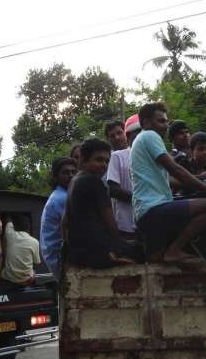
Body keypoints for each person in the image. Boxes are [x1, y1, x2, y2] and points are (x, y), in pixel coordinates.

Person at [130, 102, 206, 264]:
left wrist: (197, 180)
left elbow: (168, 179)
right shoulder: (150, 136)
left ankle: (173, 254)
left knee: (157, 261)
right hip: (154, 209)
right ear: (146, 123)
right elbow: (175, 169)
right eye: (161, 121)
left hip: (144, 213)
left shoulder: (140, 140)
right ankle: (175, 250)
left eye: (166, 121)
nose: (166, 125)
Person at [64, 138, 138, 268]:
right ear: (84, 160)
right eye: (98, 160)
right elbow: (111, 223)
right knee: (146, 249)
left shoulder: (74, 181)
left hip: (78, 253)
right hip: (98, 253)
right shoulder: (94, 182)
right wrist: (117, 249)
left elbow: (64, 223)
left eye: (106, 161)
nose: (104, 165)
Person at [40, 157, 77, 279]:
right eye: (65, 172)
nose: (71, 175)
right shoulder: (62, 198)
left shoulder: (61, 194)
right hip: (59, 258)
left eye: (73, 172)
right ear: (56, 177)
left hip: (54, 257)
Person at [107, 114, 141, 237]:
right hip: (126, 223)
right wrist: (142, 199)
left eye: (119, 133)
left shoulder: (143, 154)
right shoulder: (115, 157)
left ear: (125, 134)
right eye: (112, 136)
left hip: (144, 218)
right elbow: (113, 190)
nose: (117, 138)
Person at [2, 214, 41, 286]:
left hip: (9, 278)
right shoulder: (34, 242)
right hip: (26, 280)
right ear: (29, 227)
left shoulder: (10, 234)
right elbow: (37, 262)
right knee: (34, 272)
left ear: (14, 227)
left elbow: (8, 220)